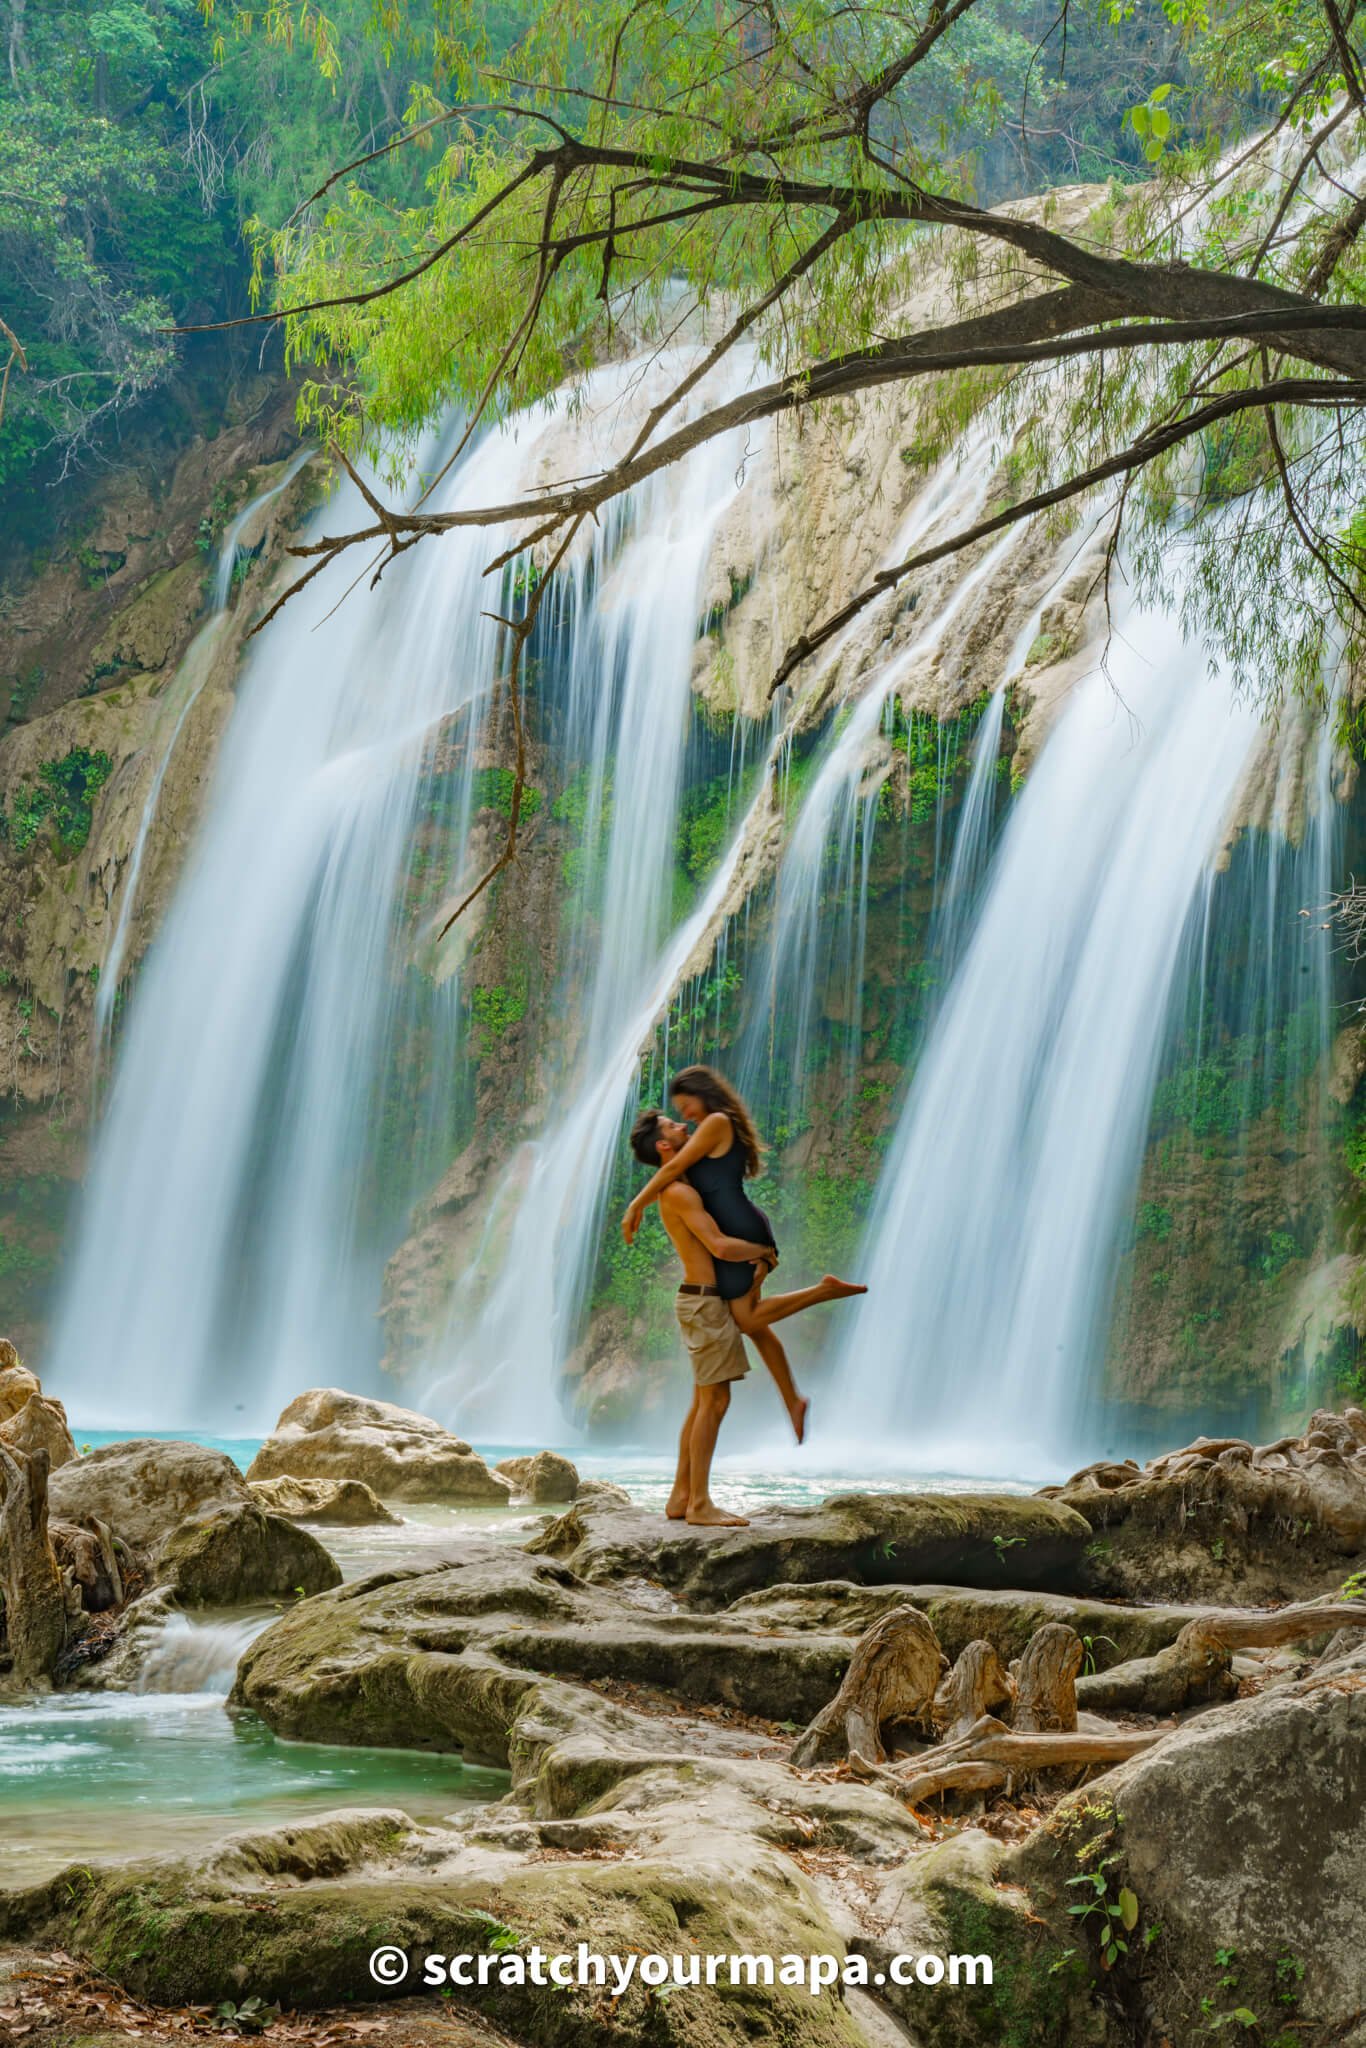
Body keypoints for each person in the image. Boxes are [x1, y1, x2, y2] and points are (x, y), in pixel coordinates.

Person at [626, 1067, 867, 1444]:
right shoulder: (710, 1127)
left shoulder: (717, 1122)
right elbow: (673, 1167)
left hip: (741, 1231)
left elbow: (673, 1166)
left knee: (747, 1318)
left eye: (685, 1106)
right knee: (752, 1324)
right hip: (736, 1230)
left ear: (701, 1094)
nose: (686, 1116)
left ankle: (822, 1292)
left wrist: (636, 1204)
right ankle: (793, 1401)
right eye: (678, 1114)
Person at [628, 1113, 773, 1526]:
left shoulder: (681, 1186)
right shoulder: (677, 1192)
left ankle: (680, 1497)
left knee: (701, 1402)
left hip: (701, 1301)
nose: (681, 1127)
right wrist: (762, 1251)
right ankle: (700, 1505)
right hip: (704, 1304)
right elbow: (720, 1247)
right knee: (715, 1401)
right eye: (673, 1125)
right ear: (662, 1145)